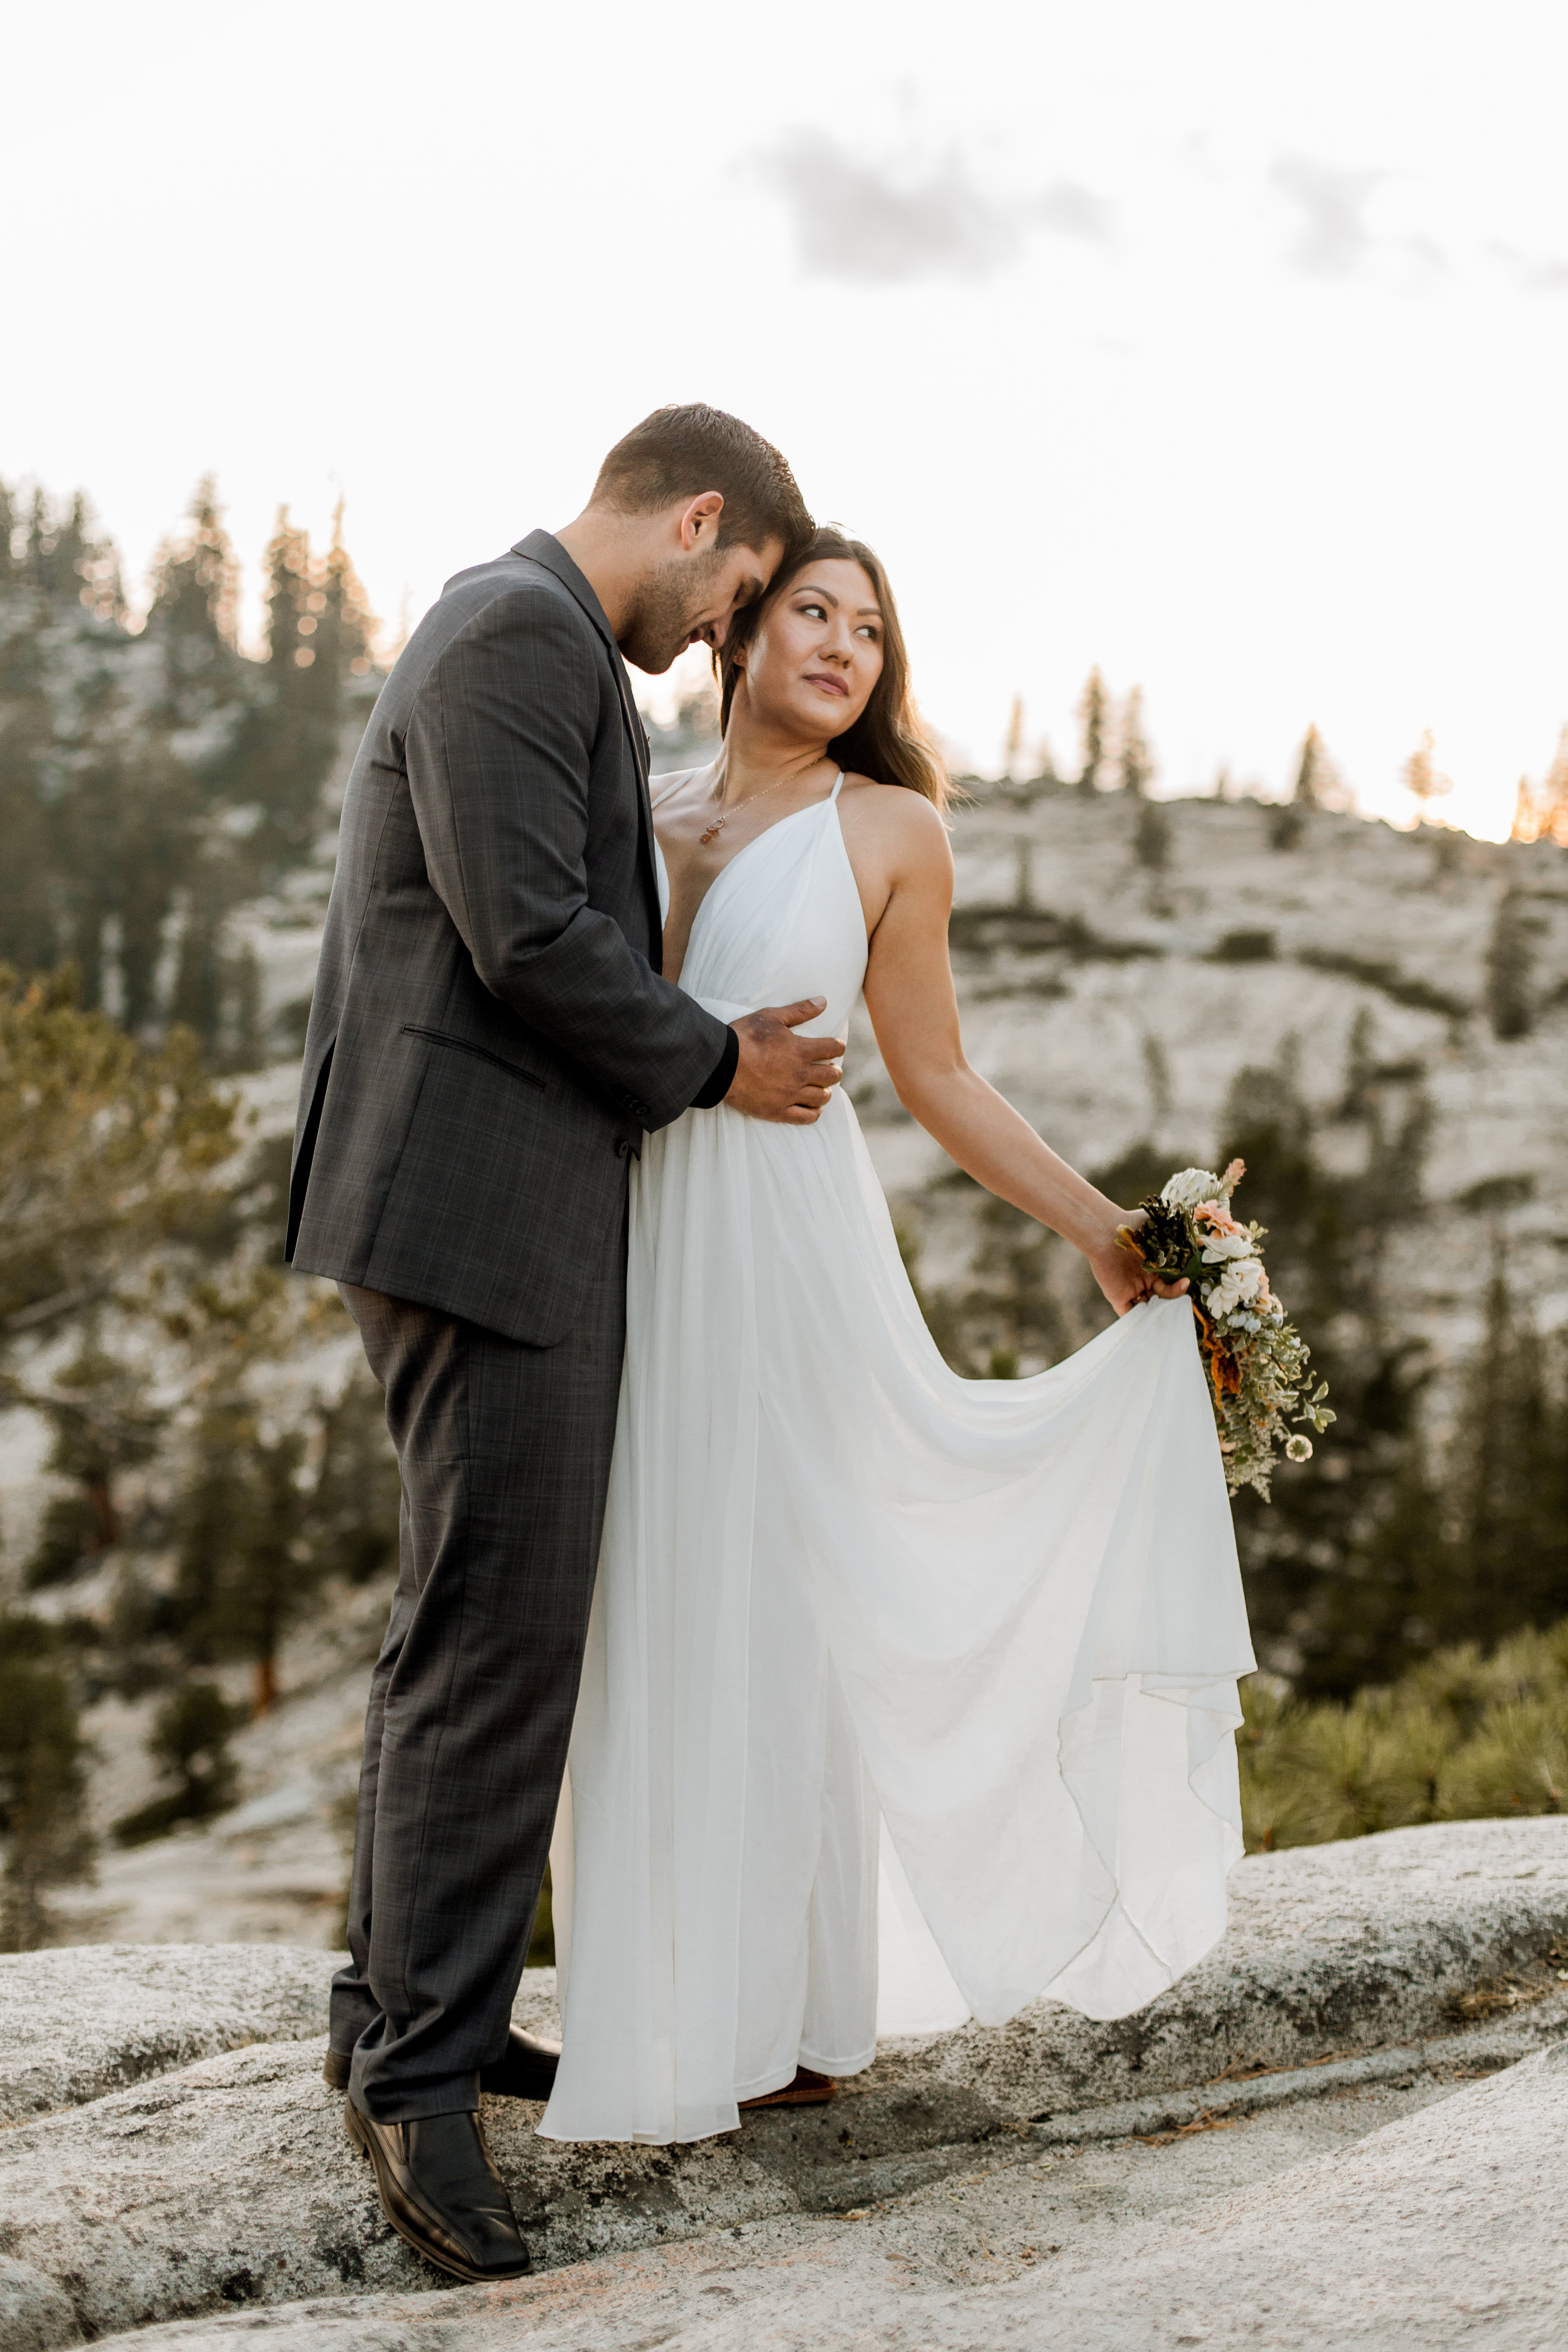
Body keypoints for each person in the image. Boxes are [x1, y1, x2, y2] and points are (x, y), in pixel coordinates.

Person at [539, 529, 1256, 2145]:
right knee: (643, 1592)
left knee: (787, 1597)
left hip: (788, 1248)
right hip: (630, 1233)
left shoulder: (892, 830)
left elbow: (936, 1075)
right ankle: (653, 2009)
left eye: (872, 629)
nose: (846, 648)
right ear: (739, 631)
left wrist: (1103, 1229)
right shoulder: (630, 812)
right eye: (814, 612)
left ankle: (795, 2010)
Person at [286, 407, 835, 2281]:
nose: (725, 632)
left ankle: (392, 2019)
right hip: (479, 1206)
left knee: (463, 1621)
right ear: (696, 521)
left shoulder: (517, 630)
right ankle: (419, 2091)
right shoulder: (519, 633)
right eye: (742, 587)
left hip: (462, 1201)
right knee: (501, 1643)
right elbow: (524, 931)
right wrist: (718, 1062)